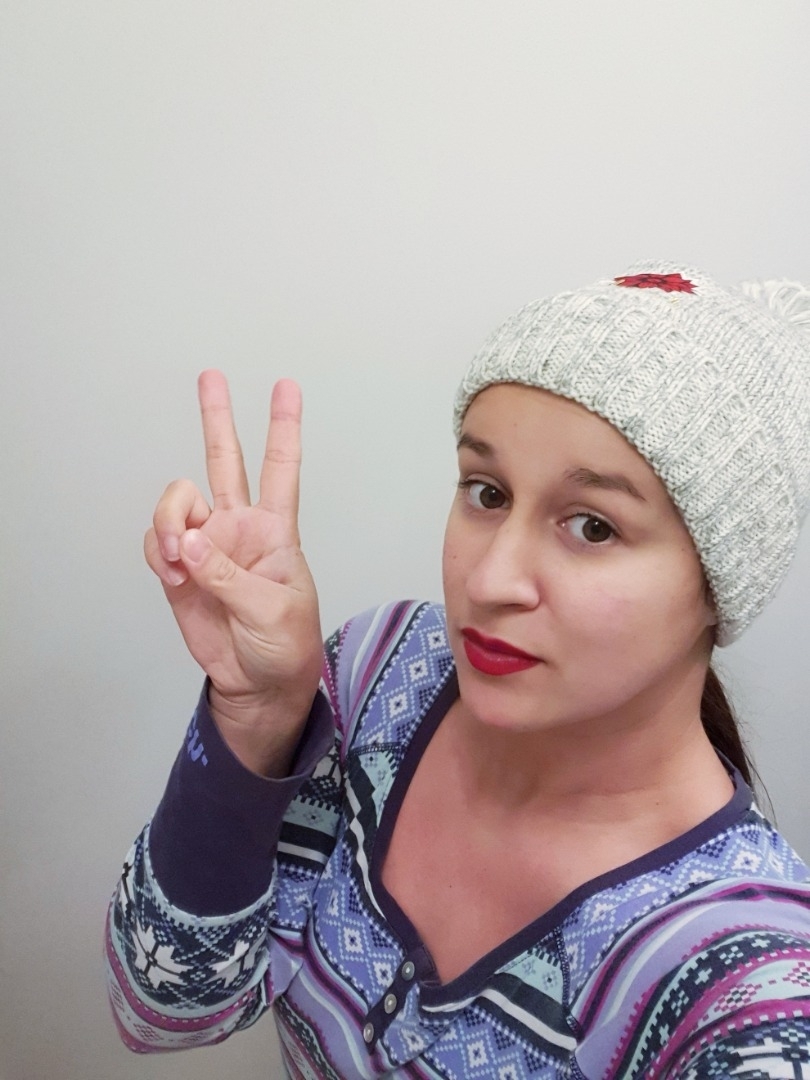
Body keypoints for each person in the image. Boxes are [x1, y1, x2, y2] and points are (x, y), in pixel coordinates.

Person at [106, 262, 810, 1079]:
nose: (490, 579)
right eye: (487, 492)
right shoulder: (380, 674)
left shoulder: (745, 989)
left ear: (720, 582)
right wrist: (257, 717)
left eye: (593, 526)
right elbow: (164, 1009)